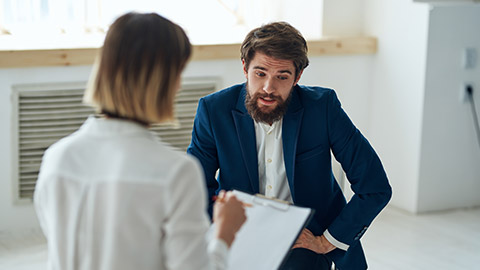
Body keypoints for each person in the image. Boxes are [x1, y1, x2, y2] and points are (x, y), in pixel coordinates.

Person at [34, 12, 246, 270]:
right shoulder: (176, 171)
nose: (179, 85)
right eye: (179, 72)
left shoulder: (57, 157)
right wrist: (224, 233)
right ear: (165, 80)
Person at [187, 22, 392, 270]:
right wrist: (225, 233)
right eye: (260, 73)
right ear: (245, 68)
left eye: (281, 77)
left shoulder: (323, 108)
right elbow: (196, 189)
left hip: (307, 240)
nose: (268, 88)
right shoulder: (213, 110)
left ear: (297, 77)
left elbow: (375, 187)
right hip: (240, 238)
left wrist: (326, 241)